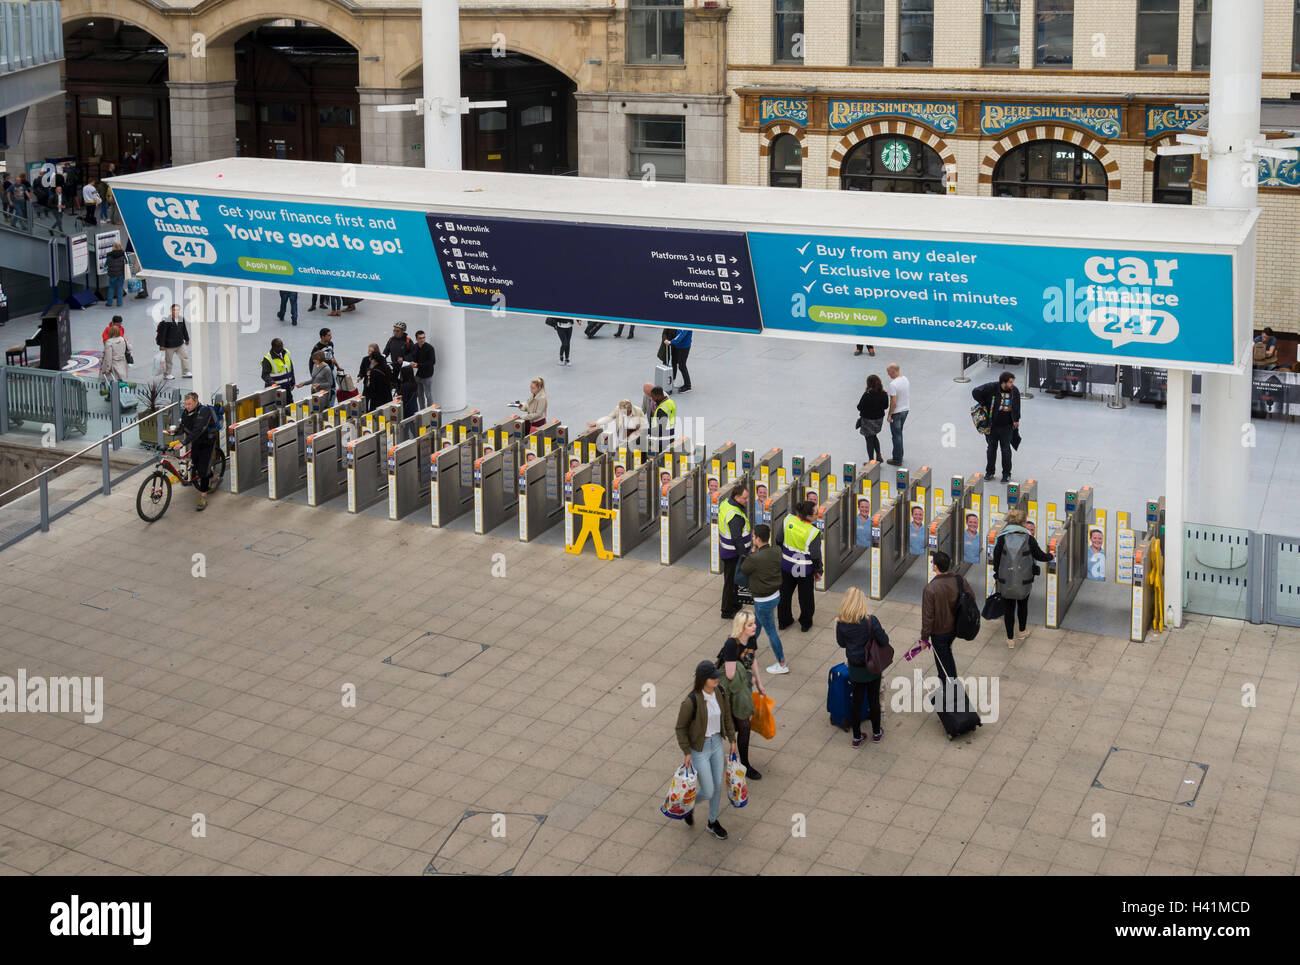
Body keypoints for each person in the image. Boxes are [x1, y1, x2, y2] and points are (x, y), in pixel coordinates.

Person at [673, 660, 737, 839]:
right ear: (703, 680)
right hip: (699, 750)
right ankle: (688, 806)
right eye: (712, 677)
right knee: (708, 790)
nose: (717, 679)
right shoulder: (691, 701)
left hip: (716, 743)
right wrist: (686, 751)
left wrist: (732, 739)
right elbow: (680, 728)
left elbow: (726, 718)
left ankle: (712, 822)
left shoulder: (720, 692)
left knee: (717, 787)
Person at [993, 507, 1054, 649]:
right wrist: (1051, 555)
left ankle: (1010, 639)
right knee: (1022, 605)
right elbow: (1040, 556)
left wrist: (998, 574)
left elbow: (996, 559)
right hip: (1024, 579)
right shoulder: (1028, 538)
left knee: (1008, 608)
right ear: (1023, 522)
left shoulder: (1002, 538)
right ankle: (1022, 631)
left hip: (1006, 579)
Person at [835, 587, 887, 746]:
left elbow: (841, 643)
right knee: (874, 699)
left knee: (856, 701)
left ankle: (857, 737)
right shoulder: (871, 620)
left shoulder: (841, 623)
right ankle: (877, 732)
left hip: (855, 667)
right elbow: (884, 640)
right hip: (872, 666)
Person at [719, 612, 767, 780]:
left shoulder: (751, 639)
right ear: (741, 627)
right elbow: (730, 674)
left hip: (743, 688)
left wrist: (759, 683)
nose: (754, 626)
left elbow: (752, 659)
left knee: (744, 726)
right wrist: (749, 677)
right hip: (731, 690)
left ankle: (745, 763)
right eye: (750, 624)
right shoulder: (732, 644)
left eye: (754, 623)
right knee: (734, 725)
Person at [920, 550, 973, 682]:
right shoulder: (960, 580)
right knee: (946, 655)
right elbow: (971, 598)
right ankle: (948, 688)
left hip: (939, 632)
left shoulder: (930, 589)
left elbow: (928, 617)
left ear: (935, 566)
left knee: (943, 664)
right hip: (955, 628)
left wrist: (924, 638)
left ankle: (950, 691)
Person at [742, 524, 788, 675]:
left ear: (758, 539)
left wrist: (753, 552)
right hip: (775, 595)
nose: (752, 538)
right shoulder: (776, 551)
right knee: (756, 625)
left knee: (771, 631)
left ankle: (782, 663)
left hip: (763, 600)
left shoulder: (755, 558)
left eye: (754, 536)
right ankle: (747, 652)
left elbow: (744, 568)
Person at [166, 392, 219, 511]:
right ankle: (213, 477)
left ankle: (203, 496)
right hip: (196, 442)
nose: (187, 406)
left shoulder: (204, 412)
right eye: (185, 404)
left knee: (202, 470)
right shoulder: (186, 412)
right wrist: (173, 432)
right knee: (196, 463)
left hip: (207, 443)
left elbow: (197, 431)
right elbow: (183, 428)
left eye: (189, 404)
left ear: (196, 402)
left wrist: (183, 443)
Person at [777, 499, 822, 633]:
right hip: (803, 568)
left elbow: (778, 539)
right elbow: (815, 556)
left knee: (784, 594)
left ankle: (784, 621)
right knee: (805, 597)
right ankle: (805, 623)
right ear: (809, 516)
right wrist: (819, 570)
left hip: (786, 565)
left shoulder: (788, 520)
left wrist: (786, 552)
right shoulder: (813, 532)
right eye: (816, 513)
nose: (818, 514)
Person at [972, 371, 1021, 483]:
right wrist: (983, 403)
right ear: (1003, 383)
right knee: (991, 449)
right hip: (992, 426)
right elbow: (975, 392)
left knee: (1006, 450)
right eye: (1010, 382)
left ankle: (1006, 474)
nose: (1012, 384)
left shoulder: (1015, 390)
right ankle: (990, 472)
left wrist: (1017, 419)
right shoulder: (992, 387)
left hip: (1007, 426)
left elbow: (1017, 405)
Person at [718, 483, 752, 620]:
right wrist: (744, 554)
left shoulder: (726, 503)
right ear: (736, 497)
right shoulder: (735, 516)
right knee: (730, 582)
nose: (747, 500)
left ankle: (735, 604)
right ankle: (726, 610)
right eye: (744, 498)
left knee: (733, 581)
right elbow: (737, 538)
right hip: (733, 554)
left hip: (726, 550)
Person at [856, 373, 889, 463]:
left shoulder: (867, 395)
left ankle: (871, 461)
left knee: (869, 439)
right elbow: (886, 406)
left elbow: (859, 407)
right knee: (874, 436)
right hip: (879, 420)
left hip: (868, 420)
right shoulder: (884, 393)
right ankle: (879, 455)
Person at [156, 305, 192, 380]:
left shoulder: (181, 319)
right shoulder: (167, 321)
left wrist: (187, 339)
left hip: (180, 343)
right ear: (171, 311)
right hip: (169, 345)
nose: (176, 312)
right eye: (174, 310)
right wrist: (162, 345)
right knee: (169, 361)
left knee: (185, 357)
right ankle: (167, 374)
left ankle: (186, 372)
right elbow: (163, 334)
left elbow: (184, 329)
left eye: (177, 310)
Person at [886, 362, 909, 466]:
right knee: (899, 433)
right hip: (905, 410)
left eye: (889, 372)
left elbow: (894, 402)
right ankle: (900, 455)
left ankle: (897, 459)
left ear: (894, 371)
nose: (888, 374)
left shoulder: (893, 384)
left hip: (897, 413)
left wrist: (890, 414)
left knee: (896, 436)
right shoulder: (905, 379)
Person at [261, 338, 296, 402]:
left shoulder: (286, 352)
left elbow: (291, 368)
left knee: (289, 405)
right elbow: (264, 375)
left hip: (287, 387)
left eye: (282, 345)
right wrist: (272, 383)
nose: (281, 348)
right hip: (276, 389)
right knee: (276, 407)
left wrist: (292, 382)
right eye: (279, 346)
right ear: (273, 347)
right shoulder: (268, 359)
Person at [413, 330, 436, 409]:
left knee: (428, 395)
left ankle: (429, 412)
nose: (422, 339)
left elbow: (432, 362)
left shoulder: (429, 348)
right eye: (420, 338)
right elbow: (412, 357)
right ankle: (422, 411)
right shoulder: (415, 347)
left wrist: (418, 365)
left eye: (423, 337)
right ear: (416, 339)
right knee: (420, 395)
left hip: (427, 376)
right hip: (418, 375)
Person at [649, 386, 677, 450]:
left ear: (658, 396)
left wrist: (646, 431)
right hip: (671, 436)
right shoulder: (671, 402)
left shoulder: (661, 409)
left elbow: (660, 429)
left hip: (661, 441)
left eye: (653, 397)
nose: (652, 399)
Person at [104, 242, 127, 308]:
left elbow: (106, 265)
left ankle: (109, 303)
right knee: (120, 288)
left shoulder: (109, 255)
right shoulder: (123, 255)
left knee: (111, 288)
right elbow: (128, 263)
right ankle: (119, 303)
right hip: (120, 274)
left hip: (112, 274)